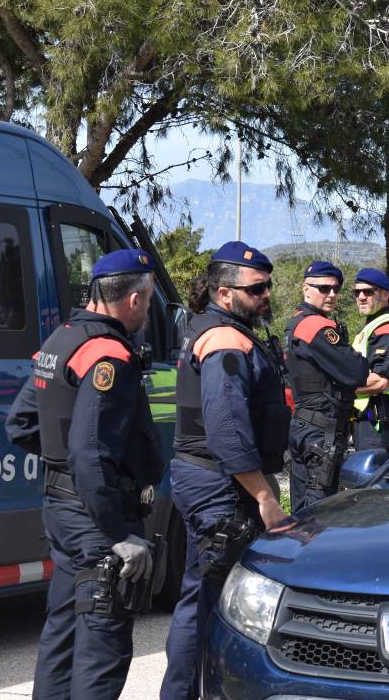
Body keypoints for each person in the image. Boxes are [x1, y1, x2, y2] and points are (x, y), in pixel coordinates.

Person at [5, 249, 164, 700]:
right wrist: (118, 533)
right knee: (100, 652)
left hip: (63, 514)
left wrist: (65, 469)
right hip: (98, 524)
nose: (148, 311)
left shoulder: (60, 341)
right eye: (149, 302)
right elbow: (90, 450)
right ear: (133, 300)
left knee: (63, 640)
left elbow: (20, 425)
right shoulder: (109, 355)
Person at [160, 241, 291, 700]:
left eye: (268, 286)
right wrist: (264, 496)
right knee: (207, 603)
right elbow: (226, 428)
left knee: (212, 597)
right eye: (257, 288)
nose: (267, 294)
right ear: (224, 293)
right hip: (220, 484)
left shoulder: (228, 330)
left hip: (216, 478)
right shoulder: (224, 340)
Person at [285, 260, 369, 512]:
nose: (331, 294)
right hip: (321, 431)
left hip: (304, 425)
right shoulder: (316, 326)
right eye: (323, 288)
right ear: (306, 289)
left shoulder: (295, 322)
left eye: (336, 288)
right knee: (318, 513)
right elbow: (356, 372)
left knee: (300, 510)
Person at [351, 268, 389, 460]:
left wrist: (336, 389)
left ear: (386, 294)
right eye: (357, 292)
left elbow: (380, 382)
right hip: (370, 421)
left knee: (373, 486)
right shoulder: (373, 327)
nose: (361, 297)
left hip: (379, 423)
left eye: (369, 292)